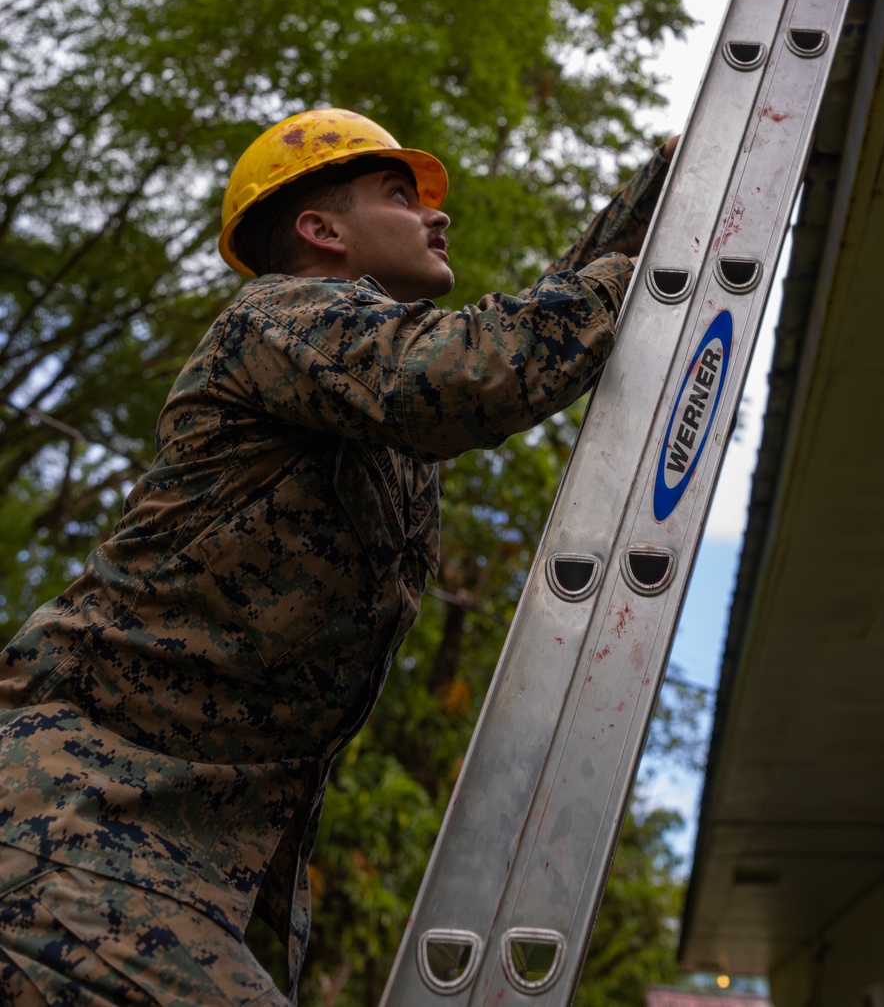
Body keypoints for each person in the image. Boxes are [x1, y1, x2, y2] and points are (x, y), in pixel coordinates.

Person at [0, 107, 676, 1006]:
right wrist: (656, 272)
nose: (437, 215)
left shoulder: (359, 398)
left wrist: (670, 186)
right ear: (320, 231)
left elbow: (528, 322)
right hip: (63, 831)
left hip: (158, 860)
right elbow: (484, 369)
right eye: (400, 196)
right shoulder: (274, 319)